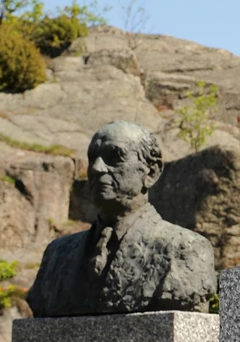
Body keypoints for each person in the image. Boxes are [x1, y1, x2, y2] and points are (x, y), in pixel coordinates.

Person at [28, 121, 216, 316]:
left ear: (151, 172)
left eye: (115, 156)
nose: (97, 168)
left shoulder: (185, 250)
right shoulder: (57, 255)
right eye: (93, 158)